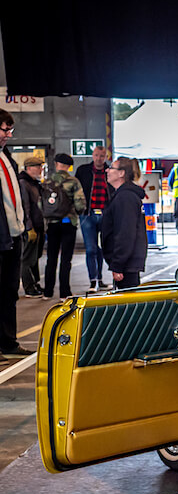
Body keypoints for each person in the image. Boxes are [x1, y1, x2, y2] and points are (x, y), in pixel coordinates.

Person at [0, 108, 32, 357]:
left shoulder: (6, 158)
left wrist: (22, 227)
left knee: (10, 291)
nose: (8, 135)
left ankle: (8, 342)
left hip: (13, 236)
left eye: (11, 131)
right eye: (4, 130)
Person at [42, 152, 87, 301]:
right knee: (66, 259)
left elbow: (41, 204)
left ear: (56, 164)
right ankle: (64, 292)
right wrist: (78, 212)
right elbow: (80, 204)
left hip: (52, 224)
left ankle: (47, 292)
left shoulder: (47, 182)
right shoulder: (73, 181)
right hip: (68, 223)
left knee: (51, 258)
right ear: (68, 166)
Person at [101, 159, 148, 289]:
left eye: (111, 168)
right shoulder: (123, 195)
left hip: (127, 264)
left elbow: (125, 233)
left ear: (121, 173)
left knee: (128, 303)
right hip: (127, 262)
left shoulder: (125, 197)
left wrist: (118, 264)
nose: (107, 170)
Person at [74, 144, 111, 291]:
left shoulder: (110, 172)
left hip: (105, 215)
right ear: (92, 155)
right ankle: (92, 280)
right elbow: (75, 191)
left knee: (102, 248)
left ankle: (100, 279)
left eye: (102, 156)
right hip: (87, 215)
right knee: (91, 249)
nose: (99, 159)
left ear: (106, 157)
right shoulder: (83, 171)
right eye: (96, 155)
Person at [18, 156, 46, 296]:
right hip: (31, 226)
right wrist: (29, 227)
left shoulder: (34, 183)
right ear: (29, 168)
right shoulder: (24, 183)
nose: (41, 169)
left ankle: (35, 283)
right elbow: (25, 206)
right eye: (38, 167)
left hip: (38, 225)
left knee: (35, 257)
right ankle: (29, 287)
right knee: (28, 258)